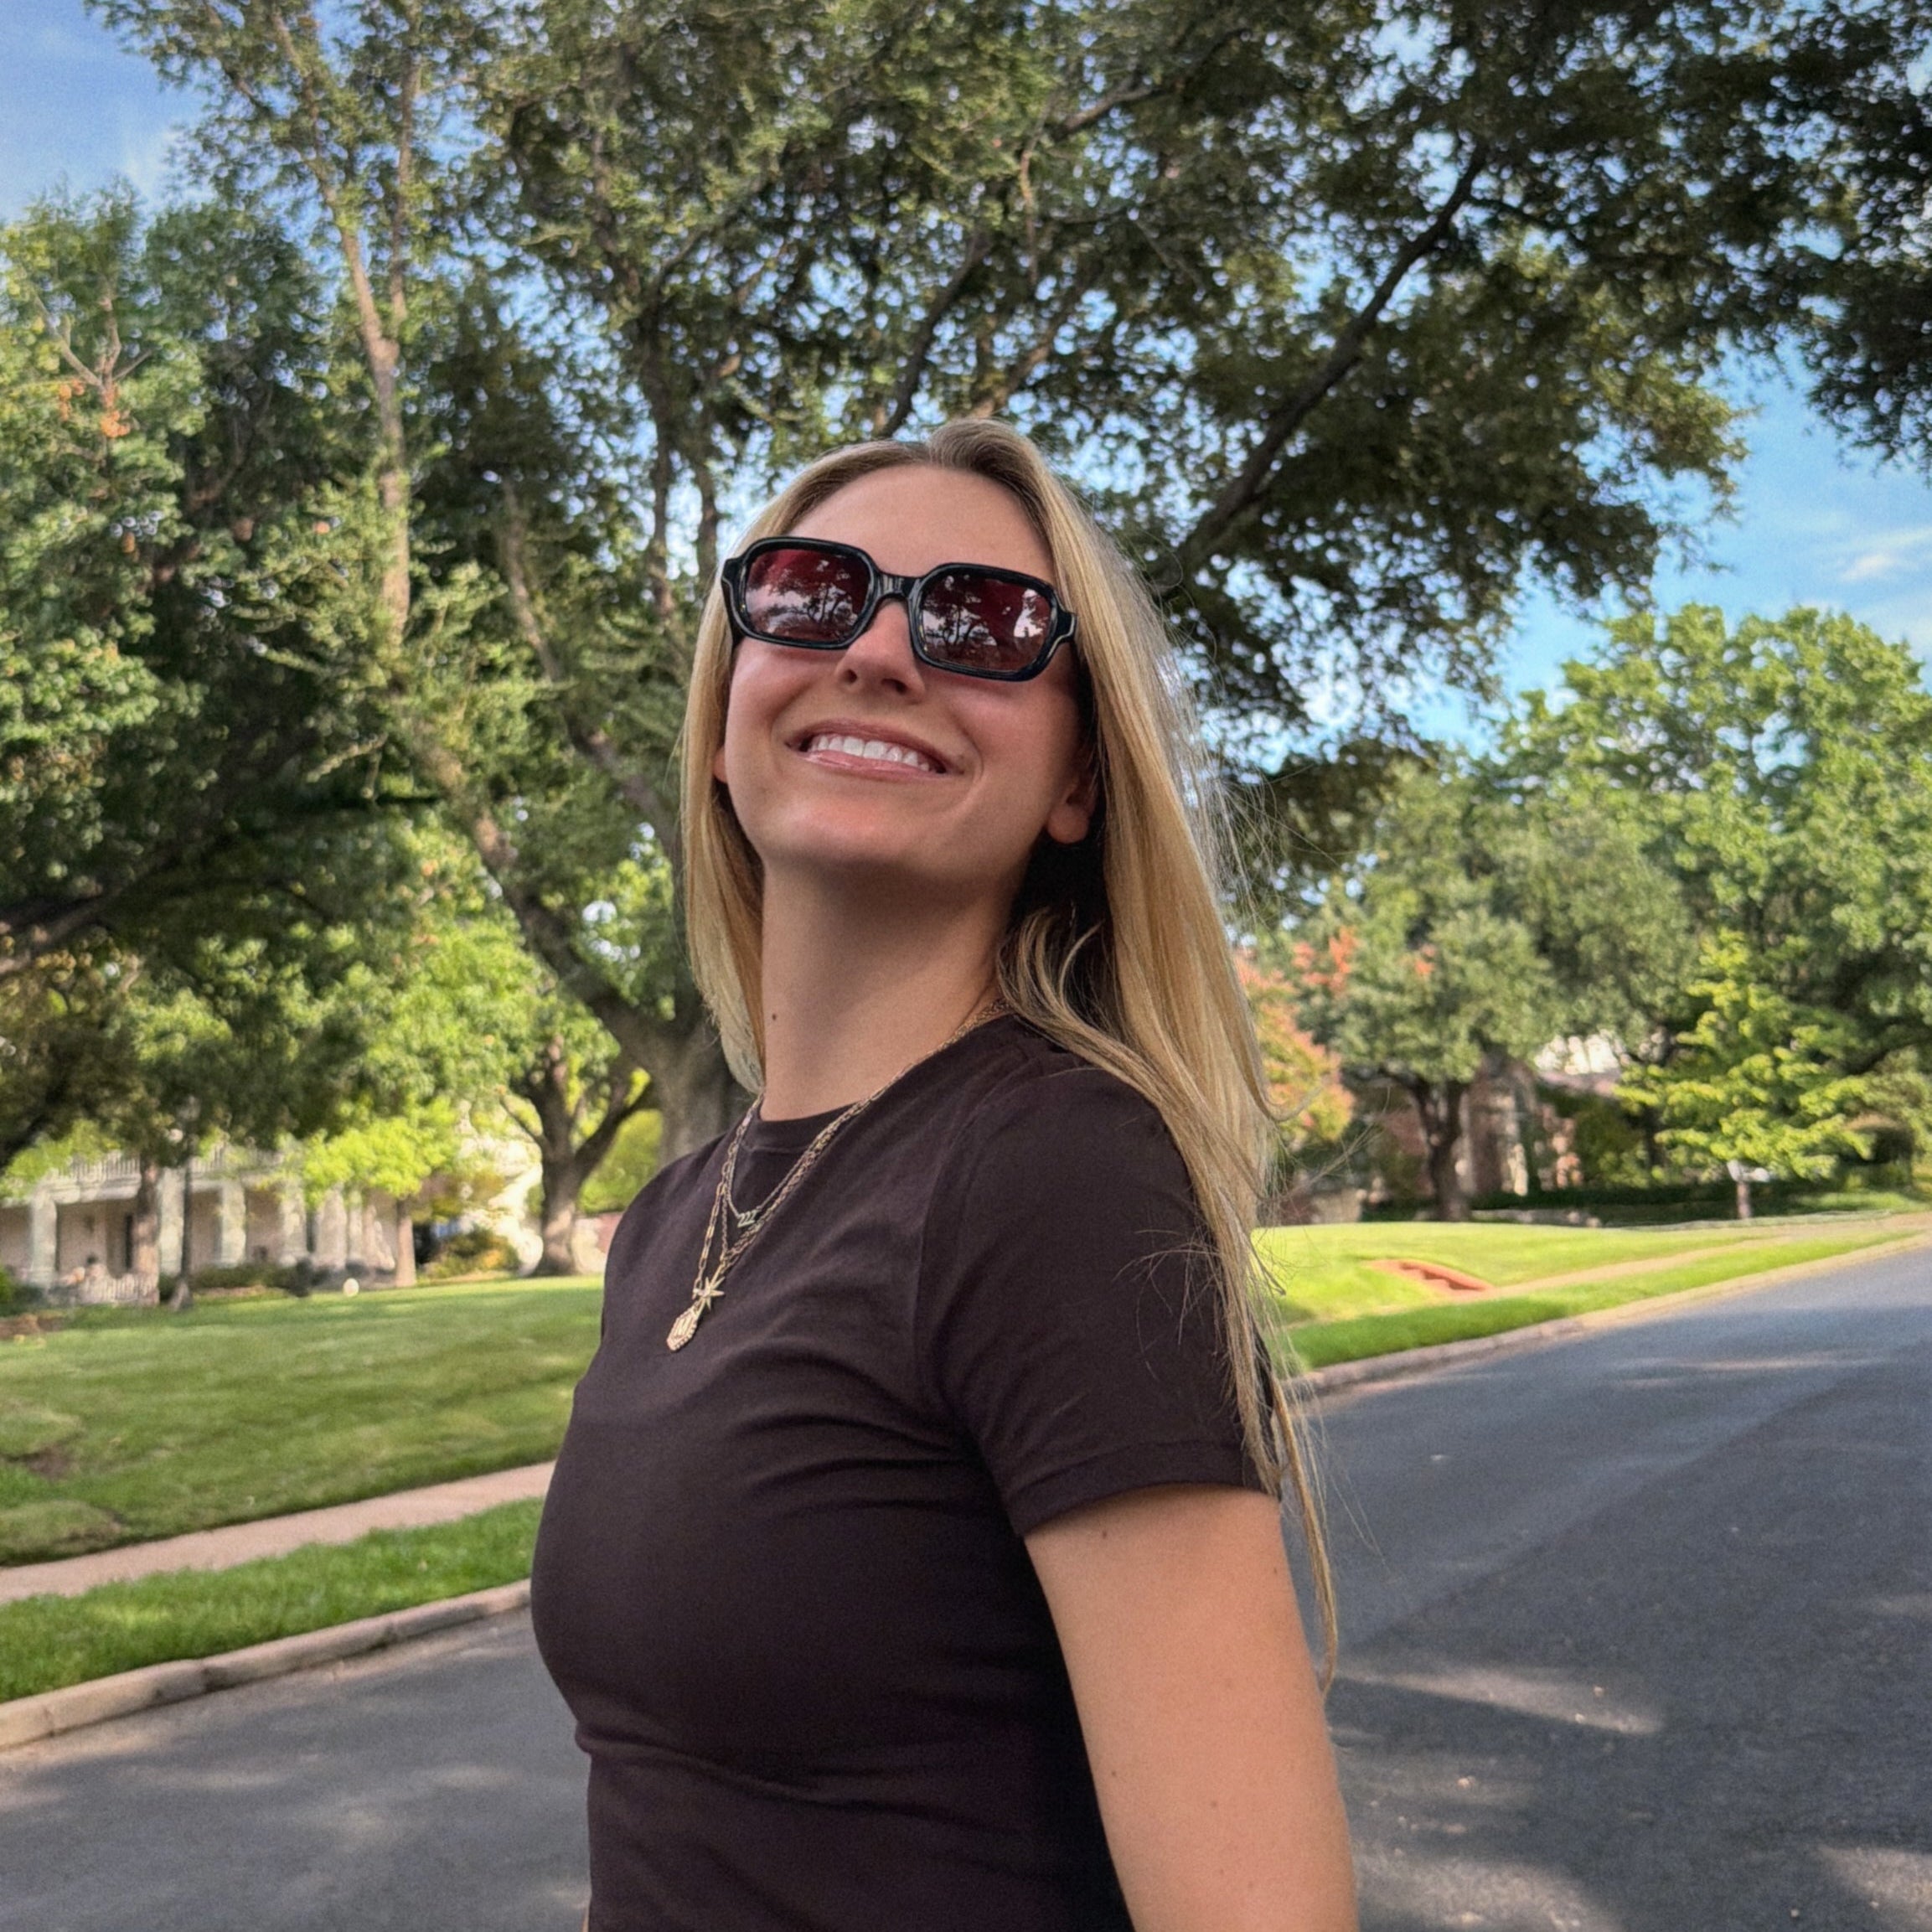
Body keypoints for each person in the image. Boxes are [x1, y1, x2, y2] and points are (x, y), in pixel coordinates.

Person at [530, 420, 1356, 1931]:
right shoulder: (676, 1216)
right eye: (808, 591)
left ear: (1077, 784)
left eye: (981, 621)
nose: (883, 647)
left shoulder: (1055, 1173)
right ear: (726, 711)